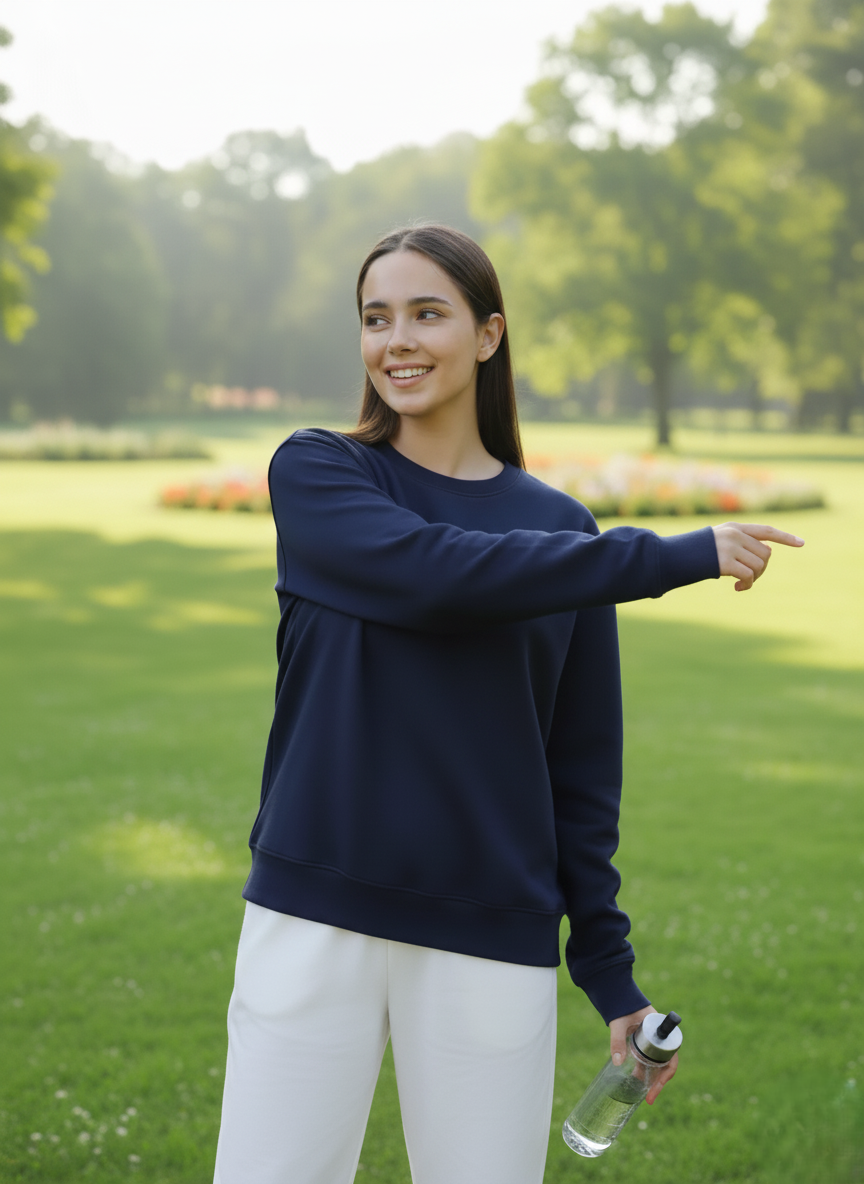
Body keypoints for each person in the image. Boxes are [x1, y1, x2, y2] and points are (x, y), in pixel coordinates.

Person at [213, 225, 803, 1184]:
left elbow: (580, 769)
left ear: (488, 335)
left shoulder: (562, 533)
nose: (397, 340)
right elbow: (435, 575)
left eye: (427, 314)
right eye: (376, 318)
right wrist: (668, 556)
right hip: (313, 913)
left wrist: (609, 972)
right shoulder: (320, 472)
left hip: (490, 926)